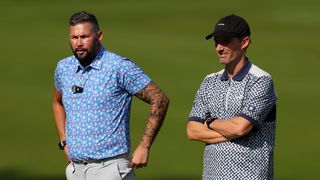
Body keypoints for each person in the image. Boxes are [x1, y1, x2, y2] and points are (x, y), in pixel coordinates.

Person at [52, 11, 169, 180]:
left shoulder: (118, 67)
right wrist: (64, 141)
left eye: (84, 37)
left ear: (99, 36)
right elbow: (57, 102)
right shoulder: (64, 68)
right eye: (74, 37)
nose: (78, 43)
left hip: (110, 169)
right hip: (75, 170)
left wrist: (145, 146)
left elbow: (159, 98)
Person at [187, 14, 277, 180]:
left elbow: (240, 128)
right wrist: (233, 132)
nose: (218, 48)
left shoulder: (261, 80)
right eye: (216, 42)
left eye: (226, 41)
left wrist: (210, 122)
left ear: (244, 42)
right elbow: (192, 131)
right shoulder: (209, 81)